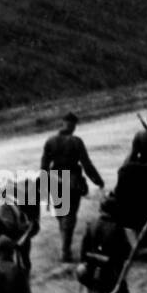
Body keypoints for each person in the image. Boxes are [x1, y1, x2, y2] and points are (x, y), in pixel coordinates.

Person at [40, 112, 103, 263]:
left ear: (62, 123)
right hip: (72, 180)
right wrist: (97, 180)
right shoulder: (76, 141)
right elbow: (86, 164)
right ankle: (65, 249)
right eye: (73, 125)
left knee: (61, 214)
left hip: (55, 179)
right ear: (72, 125)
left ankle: (64, 246)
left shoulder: (50, 141)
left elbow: (43, 166)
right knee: (70, 215)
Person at [77, 194, 132, 293]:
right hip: (111, 272)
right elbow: (125, 252)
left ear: (101, 208)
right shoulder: (117, 228)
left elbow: (83, 250)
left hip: (92, 270)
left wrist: (86, 263)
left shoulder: (91, 224)